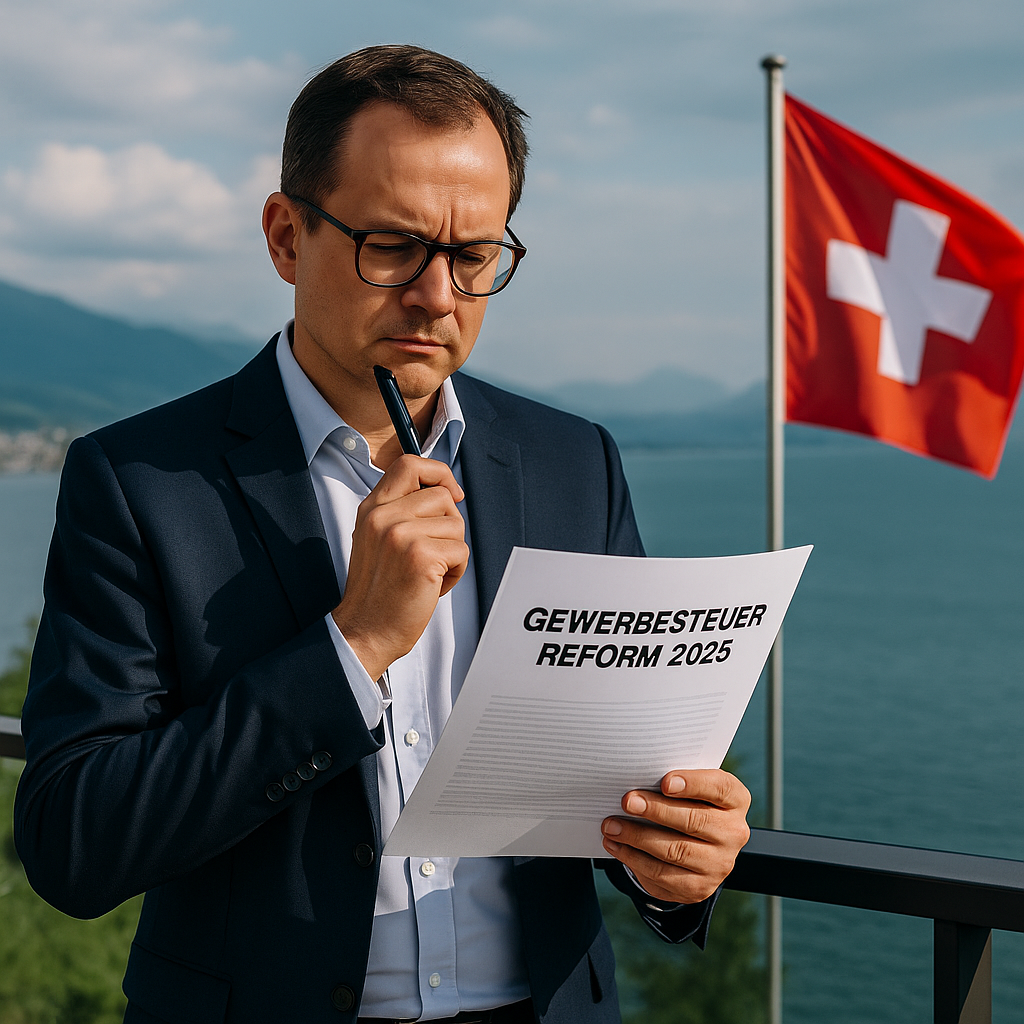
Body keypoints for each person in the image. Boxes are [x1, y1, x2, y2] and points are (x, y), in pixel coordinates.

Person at [14, 45, 750, 1024]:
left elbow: (619, 775)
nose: (438, 295)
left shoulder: (573, 461)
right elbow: (75, 841)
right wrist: (351, 643)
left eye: (474, 255)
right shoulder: (140, 479)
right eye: (393, 245)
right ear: (285, 235)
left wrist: (676, 862)